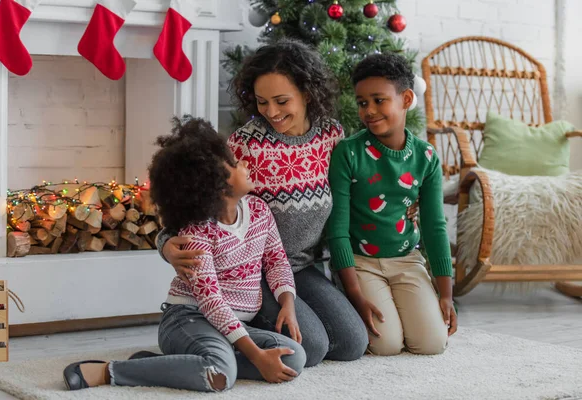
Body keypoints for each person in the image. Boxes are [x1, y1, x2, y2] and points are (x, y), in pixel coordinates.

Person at [156, 39, 370, 367]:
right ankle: (229, 329)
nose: (271, 112)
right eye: (261, 102)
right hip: (251, 273)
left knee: (352, 343)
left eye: (282, 100)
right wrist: (166, 242)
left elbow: (348, 198)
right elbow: (194, 198)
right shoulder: (244, 145)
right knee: (311, 347)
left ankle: (243, 329)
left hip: (303, 267)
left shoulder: (331, 136)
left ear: (308, 93)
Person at [63, 117, 305, 392]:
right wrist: (256, 355)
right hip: (189, 319)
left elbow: (276, 261)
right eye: (236, 164)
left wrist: (287, 304)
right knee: (220, 373)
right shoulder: (197, 233)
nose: (245, 164)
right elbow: (211, 302)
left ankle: (174, 365)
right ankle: (109, 371)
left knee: (294, 356)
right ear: (217, 183)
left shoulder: (260, 211)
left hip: (234, 326)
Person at [326, 52, 458, 357]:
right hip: (361, 263)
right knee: (385, 344)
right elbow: (338, 228)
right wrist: (355, 293)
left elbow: (435, 227)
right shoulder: (348, 153)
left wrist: (445, 293)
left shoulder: (426, 158)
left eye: (378, 100)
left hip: (407, 261)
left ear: (406, 99)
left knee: (431, 343)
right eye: (362, 103)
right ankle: (345, 298)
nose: (369, 111)